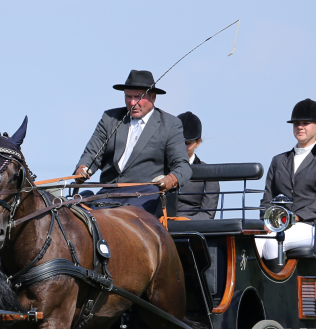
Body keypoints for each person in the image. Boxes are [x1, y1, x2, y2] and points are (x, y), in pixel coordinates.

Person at [75, 69, 191, 216]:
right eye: (128, 96)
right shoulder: (110, 118)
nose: (132, 102)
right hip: (108, 192)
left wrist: (170, 180)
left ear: (153, 97)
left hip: (145, 195)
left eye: (138, 97)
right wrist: (83, 168)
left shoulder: (170, 124)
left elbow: (183, 166)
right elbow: (92, 153)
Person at [257, 99, 316, 260]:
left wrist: (296, 217)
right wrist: (266, 221)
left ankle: (278, 285)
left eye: (305, 123)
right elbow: (267, 198)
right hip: (279, 225)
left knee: (274, 242)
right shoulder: (278, 161)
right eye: (296, 123)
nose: (300, 127)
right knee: (252, 243)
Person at [175, 111, 219, 219]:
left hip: (191, 230)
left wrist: (181, 222)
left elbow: (208, 214)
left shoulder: (209, 175)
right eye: (178, 142)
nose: (182, 147)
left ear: (198, 142)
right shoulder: (158, 168)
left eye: (187, 143)